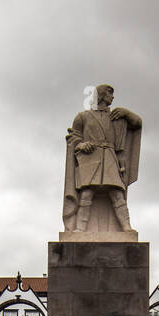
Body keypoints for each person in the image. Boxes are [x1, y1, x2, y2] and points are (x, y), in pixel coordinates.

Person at [62, 83, 142, 232]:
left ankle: (126, 227)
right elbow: (74, 138)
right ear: (101, 95)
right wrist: (81, 145)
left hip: (110, 158)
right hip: (91, 159)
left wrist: (126, 113)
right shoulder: (83, 116)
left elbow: (137, 123)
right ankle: (80, 228)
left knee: (117, 194)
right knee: (86, 194)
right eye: (110, 93)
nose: (112, 97)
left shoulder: (116, 117)